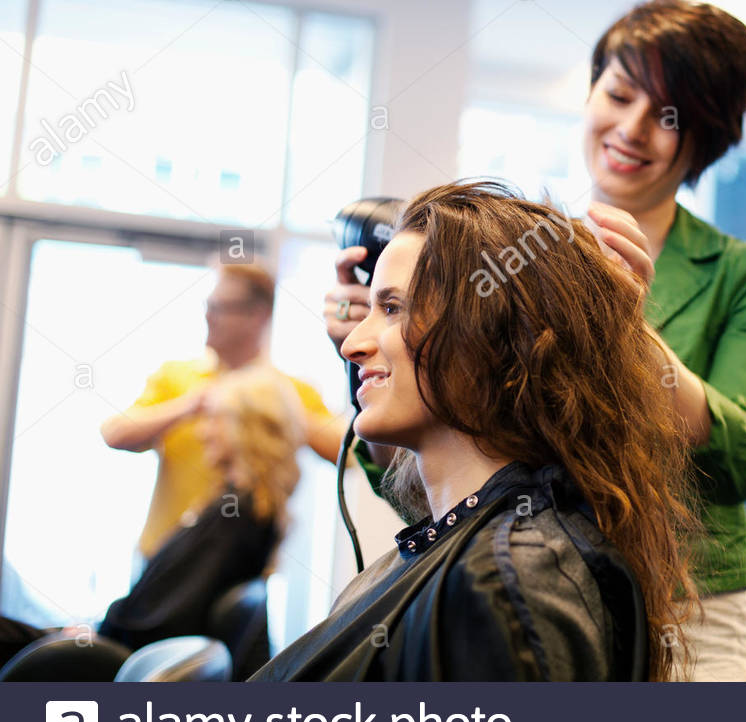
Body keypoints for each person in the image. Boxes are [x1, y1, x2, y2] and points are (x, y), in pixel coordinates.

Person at [326, 0, 746, 681]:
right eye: (620, 93)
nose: (634, 129)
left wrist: (626, 334)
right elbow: (423, 480)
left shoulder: (744, 274)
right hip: (534, 576)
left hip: (690, 605)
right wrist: (375, 338)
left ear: (706, 140)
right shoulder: (519, 256)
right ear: (591, 90)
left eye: (670, 116)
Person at [256, 182, 697, 681]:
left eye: (393, 308)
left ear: (490, 333)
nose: (351, 343)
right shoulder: (480, 553)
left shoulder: (513, 578)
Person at [1, 367, 303, 677]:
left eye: (213, 419)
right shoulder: (245, 509)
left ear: (245, 427)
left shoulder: (236, 514)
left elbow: (168, 621)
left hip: (114, 656)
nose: (202, 432)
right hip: (114, 643)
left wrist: (97, 634)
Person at [101, 263, 345, 561]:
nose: (207, 316)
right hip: (164, 559)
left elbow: (350, 454)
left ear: (257, 315)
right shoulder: (177, 378)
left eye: (220, 307)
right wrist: (189, 405)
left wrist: (279, 409)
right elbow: (115, 433)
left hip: (238, 567)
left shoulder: (288, 390)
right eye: (208, 305)